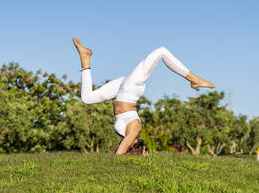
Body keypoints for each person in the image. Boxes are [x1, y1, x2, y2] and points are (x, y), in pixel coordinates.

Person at [72, 37, 215, 155]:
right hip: (130, 90)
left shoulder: (128, 136)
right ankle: (193, 79)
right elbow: (119, 153)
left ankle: (85, 57)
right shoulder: (134, 131)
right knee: (162, 51)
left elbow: (119, 152)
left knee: (87, 98)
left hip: (123, 90)